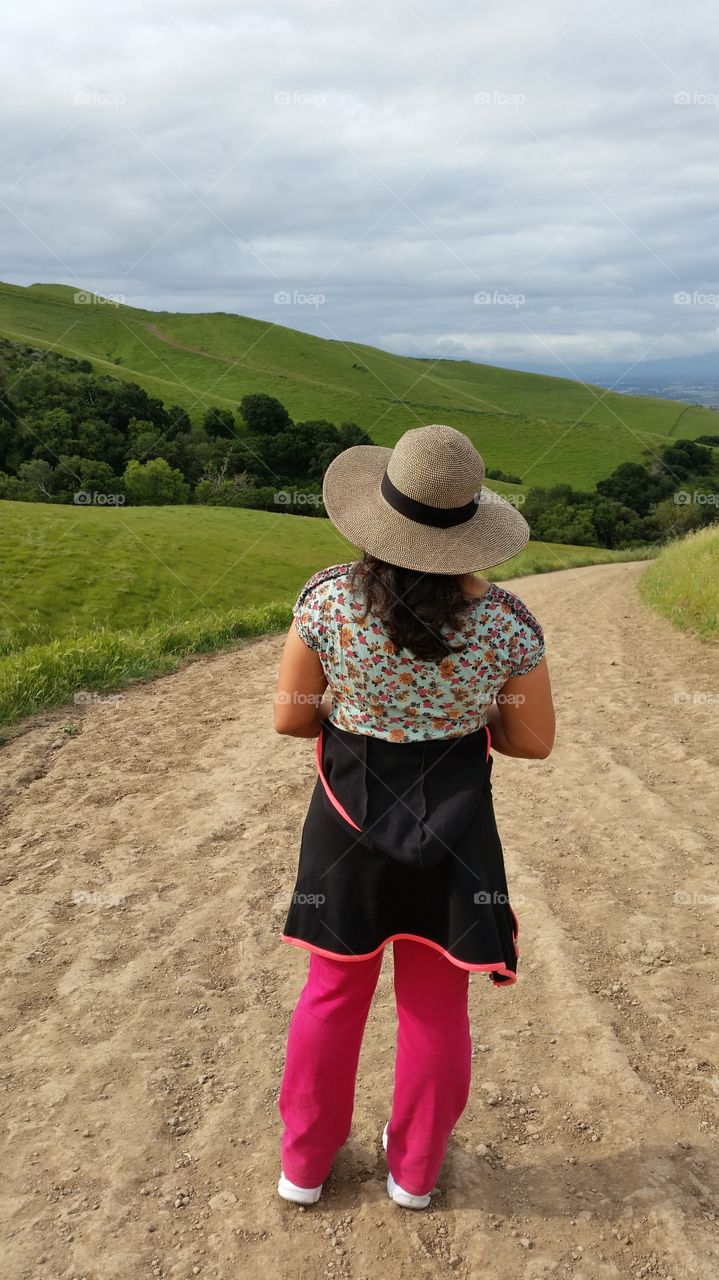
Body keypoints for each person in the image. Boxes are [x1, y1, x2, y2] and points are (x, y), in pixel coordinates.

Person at [272, 423, 555, 1210]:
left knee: (331, 993)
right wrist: (473, 714)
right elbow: (530, 743)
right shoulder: (507, 624)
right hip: (457, 832)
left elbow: (291, 720)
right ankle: (416, 1172)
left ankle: (304, 1164)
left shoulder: (325, 602)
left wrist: (360, 705)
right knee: (435, 1005)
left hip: (344, 819)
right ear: (470, 527)